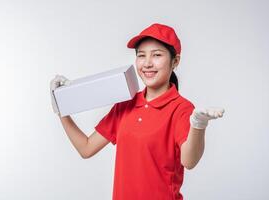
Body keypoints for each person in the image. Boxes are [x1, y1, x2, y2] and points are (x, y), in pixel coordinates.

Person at [50, 23, 225, 200]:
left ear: (175, 61)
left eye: (157, 55)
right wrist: (61, 108)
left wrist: (198, 126)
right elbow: (86, 148)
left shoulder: (181, 108)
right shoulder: (125, 104)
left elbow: (189, 161)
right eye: (141, 55)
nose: (147, 63)